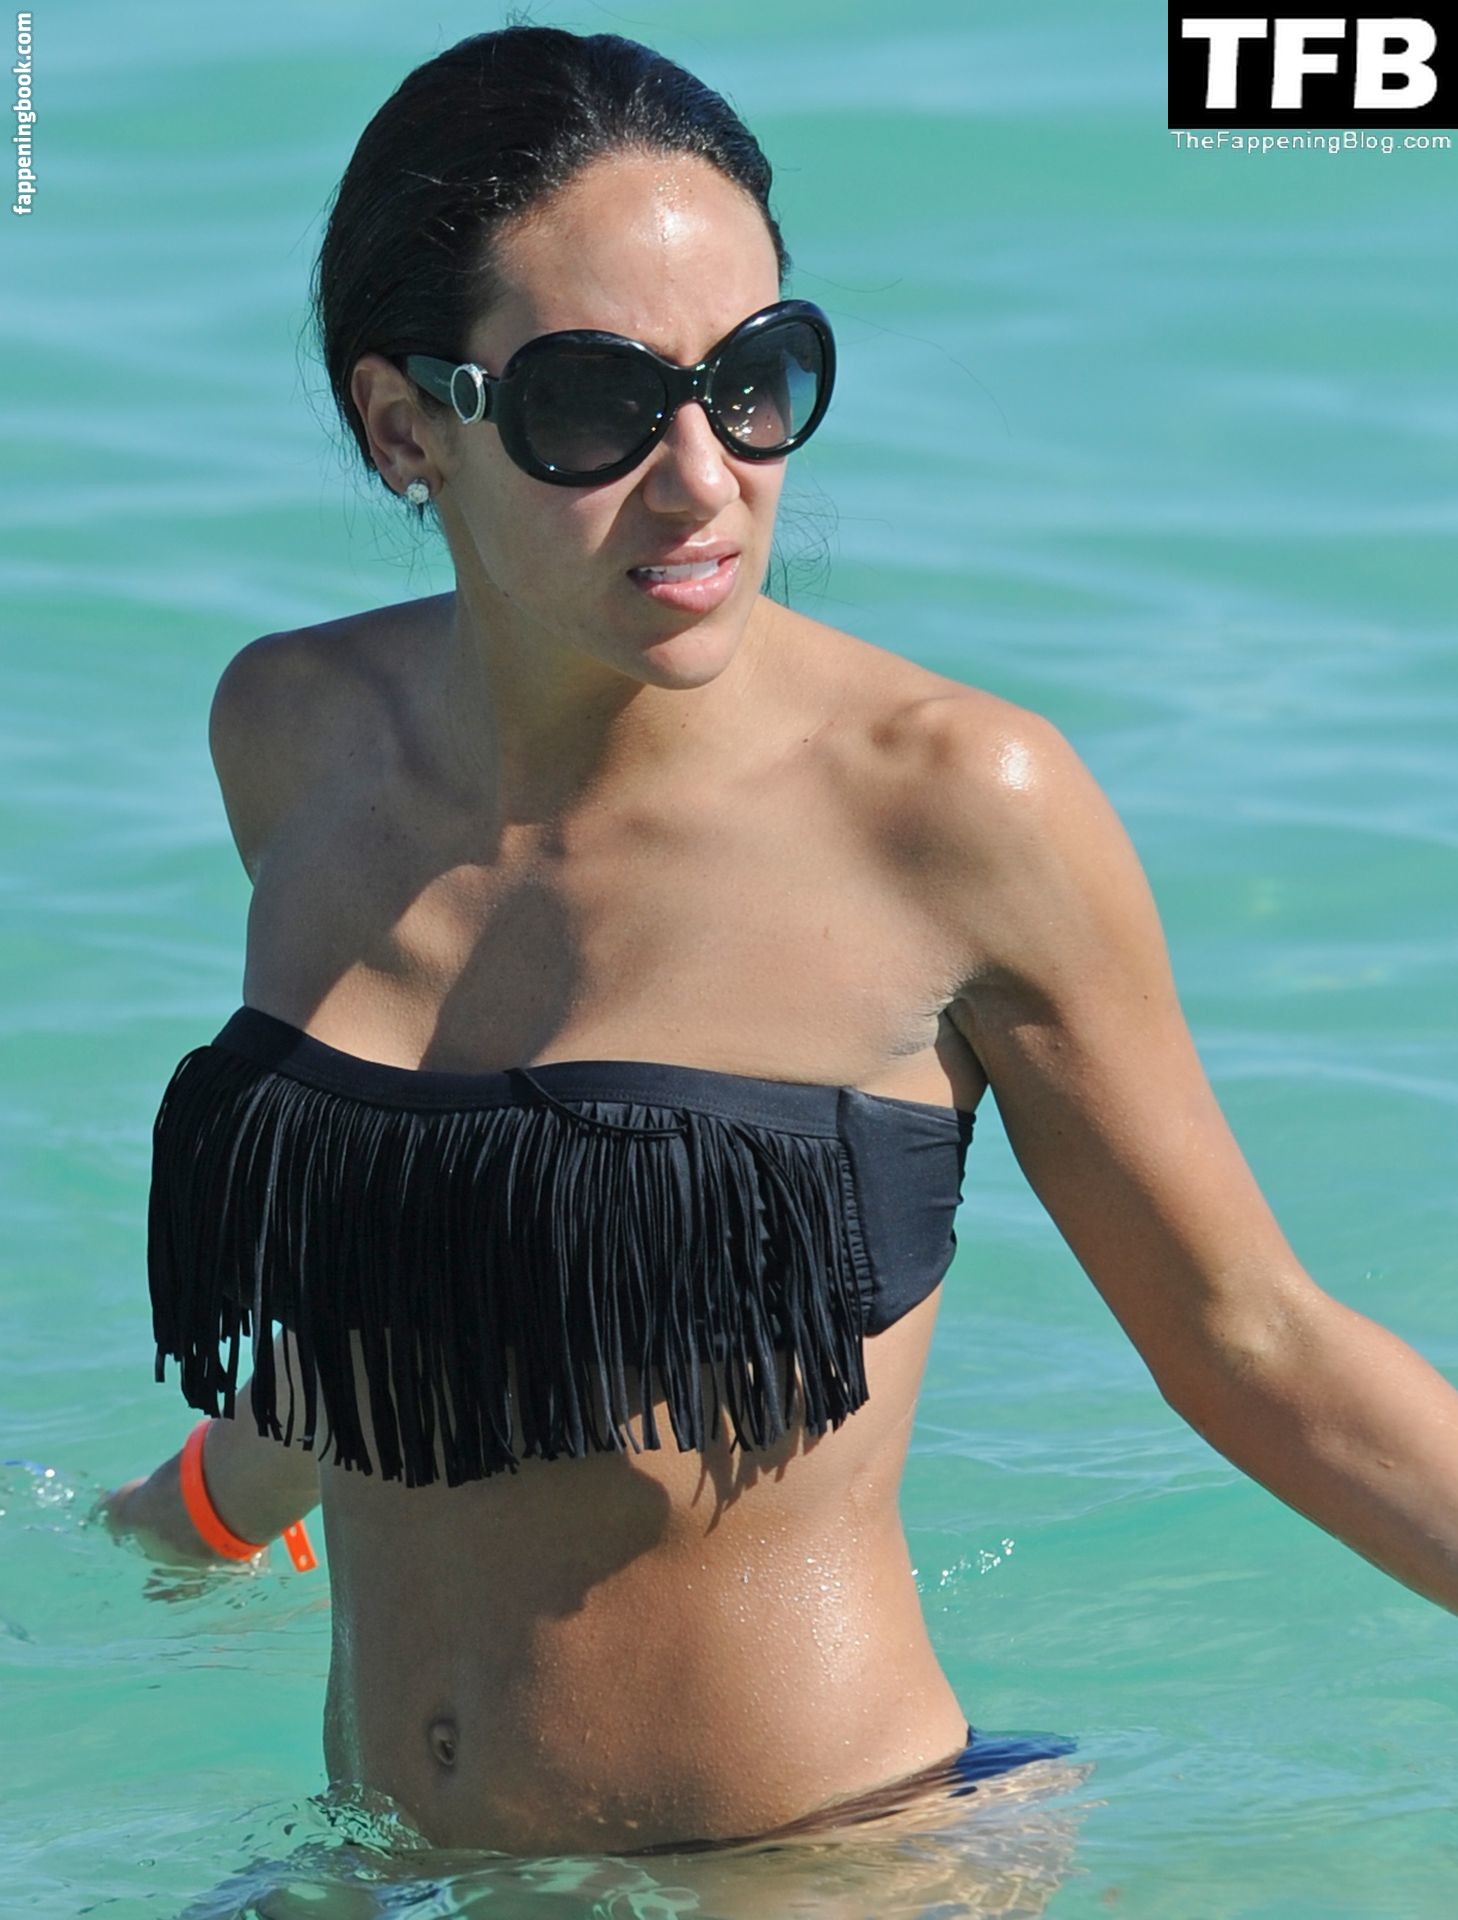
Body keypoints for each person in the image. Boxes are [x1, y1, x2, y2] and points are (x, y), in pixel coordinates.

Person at [101, 20, 1458, 1867]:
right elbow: (437, 1264)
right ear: (406, 427)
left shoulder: (952, 806)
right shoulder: (298, 737)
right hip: (383, 1860)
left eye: (753, 380)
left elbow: (1256, 1345)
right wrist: (197, 1508)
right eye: (592, 405)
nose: (701, 477)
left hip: (817, 1866)